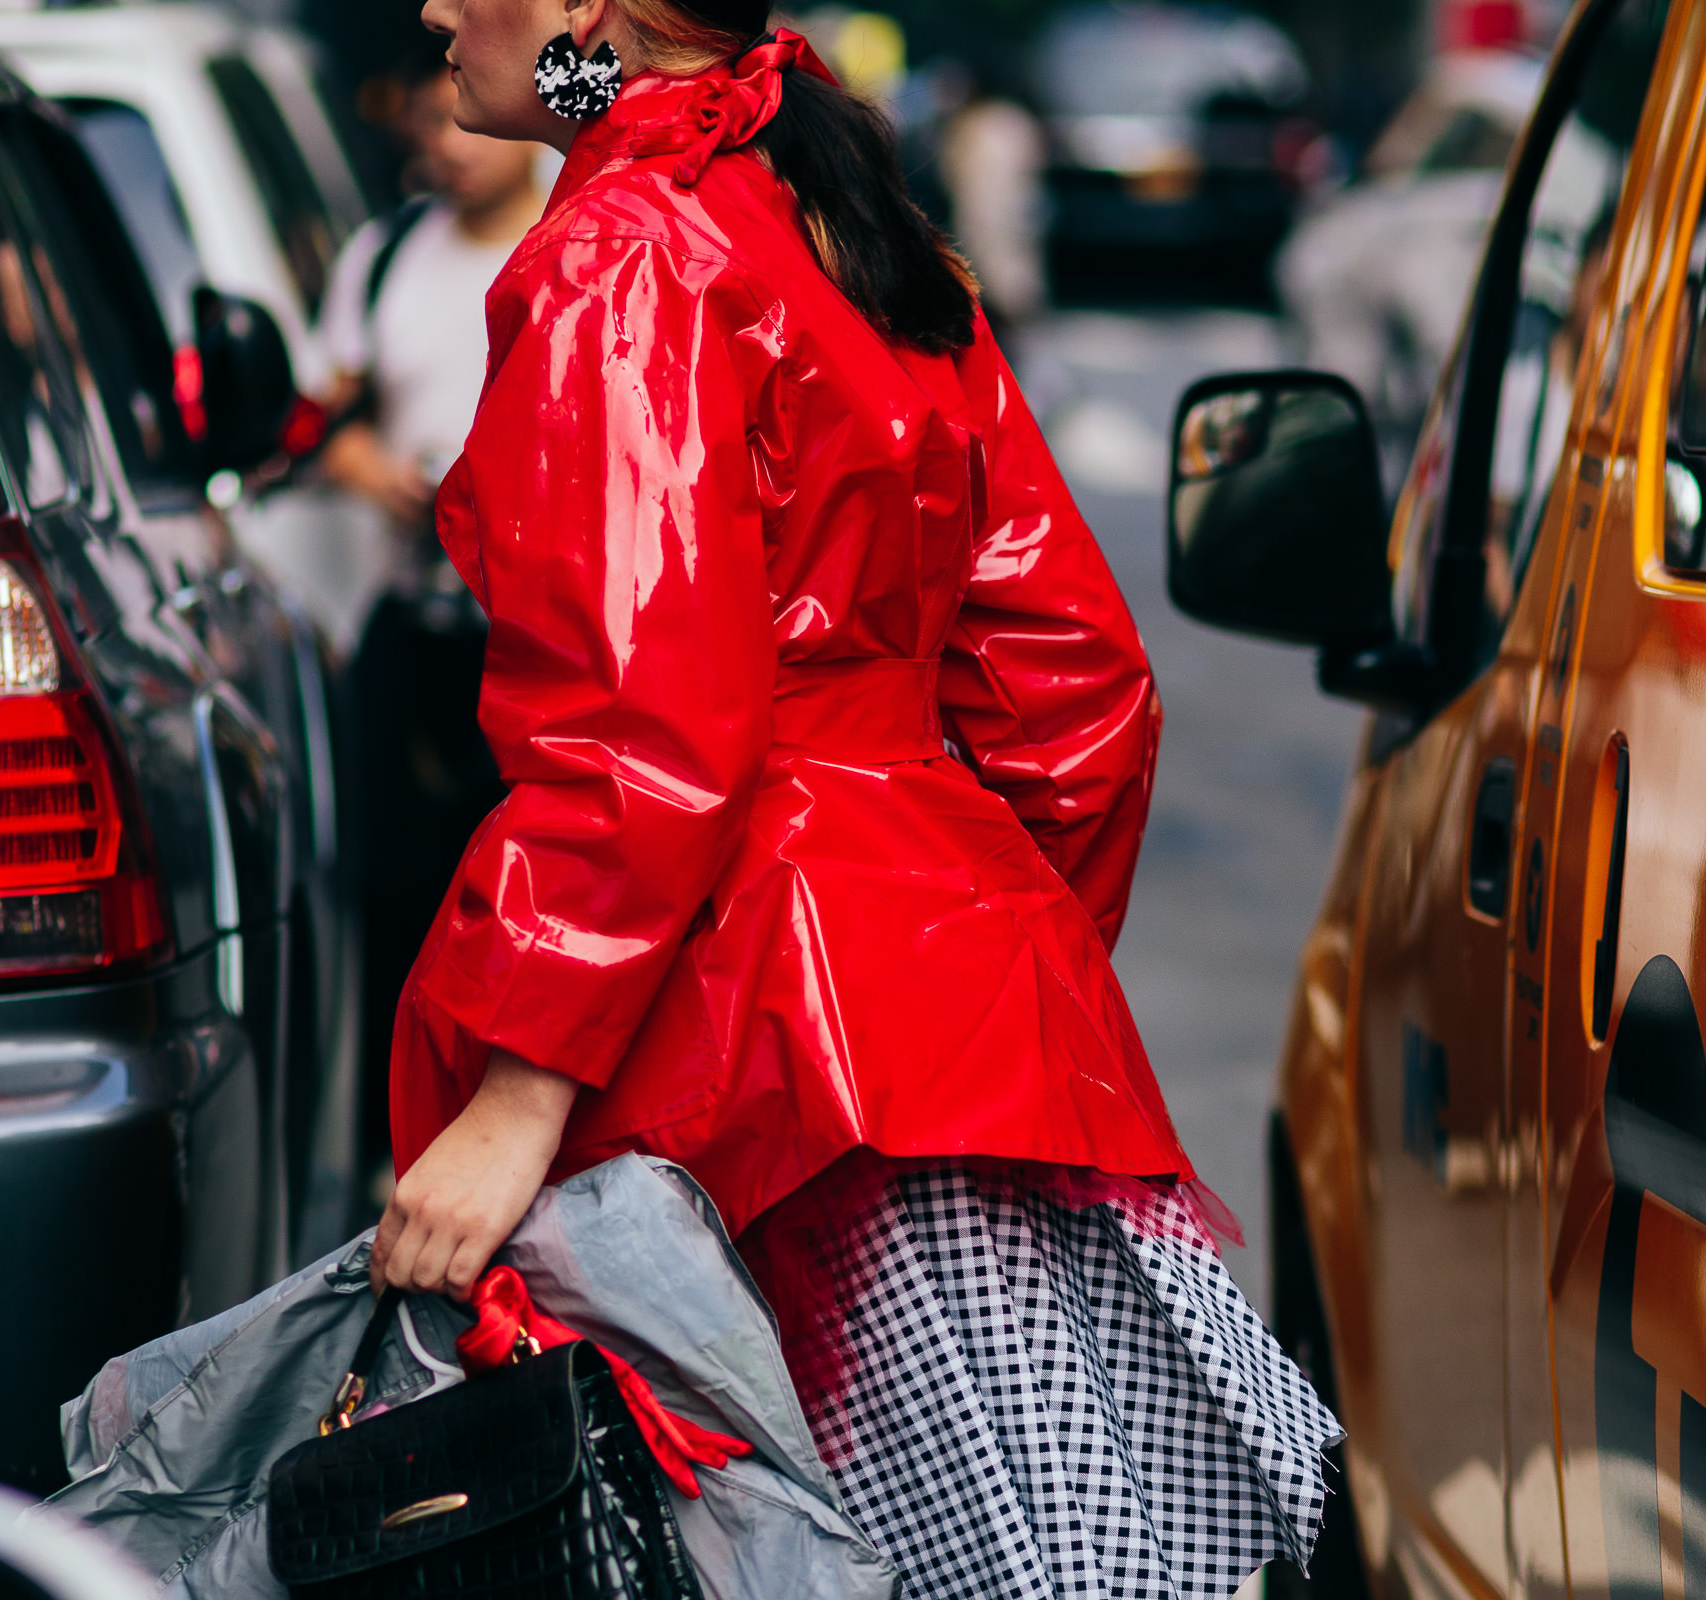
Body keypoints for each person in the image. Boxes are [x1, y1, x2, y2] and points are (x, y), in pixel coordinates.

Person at [370, 0, 1343, 1591]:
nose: (428, 9)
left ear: (582, 11)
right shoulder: (835, 214)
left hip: (741, 1063)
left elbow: (646, 719)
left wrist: (520, 1092)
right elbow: (1080, 689)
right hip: (954, 1027)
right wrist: (978, 979)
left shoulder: (626, 252)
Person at [315, 63, 546, 1198]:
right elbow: (324, 421)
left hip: (532, 638)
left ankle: (514, 1139)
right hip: (411, 624)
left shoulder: (578, 231)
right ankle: (392, 1157)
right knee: (399, 897)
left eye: (460, 95)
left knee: (530, 897)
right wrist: (381, 477)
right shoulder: (389, 253)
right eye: (428, 106)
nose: (446, 133)